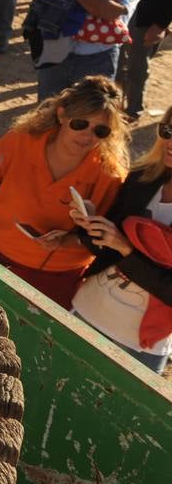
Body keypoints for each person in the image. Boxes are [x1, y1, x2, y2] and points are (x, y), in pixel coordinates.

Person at [0, 76, 127, 309]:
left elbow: (105, 242)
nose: (87, 136)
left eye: (100, 130)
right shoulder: (21, 140)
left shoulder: (110, 175)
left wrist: (67, 241)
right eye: (80, 124)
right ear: (62, 115)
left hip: (55, 278)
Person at [70, 106, 172, 372]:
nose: (170, 142)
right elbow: (106, 250)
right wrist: (91, 226)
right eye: (168, 131)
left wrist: (125, 248)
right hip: (88, 309)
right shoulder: (143, 177)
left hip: (140, 343)